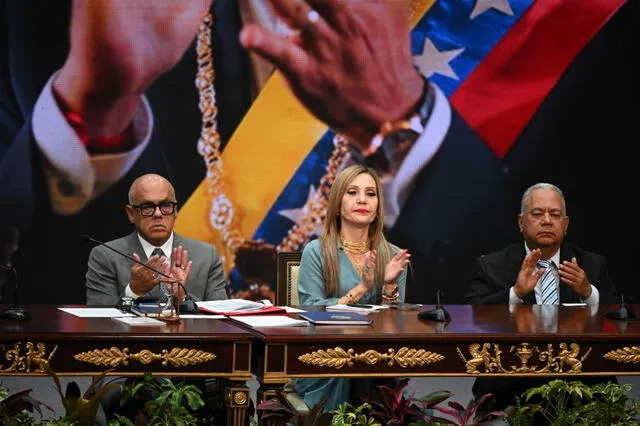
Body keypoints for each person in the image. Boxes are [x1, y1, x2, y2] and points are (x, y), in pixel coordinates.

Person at [0, 0, 636, 306]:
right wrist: (96, 115)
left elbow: (596, 304)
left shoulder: (574, 21)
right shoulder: (49, 16)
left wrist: (410, 127)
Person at [463, 182, 616, 412]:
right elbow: (470, 314)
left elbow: (621, 314)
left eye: (555, 215)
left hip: (580, 377)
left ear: (565, 224)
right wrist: (515, 293)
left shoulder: (591, 264)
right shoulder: (492, 265)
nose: (547, 221)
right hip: (512, 378)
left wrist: (588, 292)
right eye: (537, 214)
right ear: (521, 222)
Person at [293, 164, 411, 410]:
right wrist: (362, 287)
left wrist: (389, 285)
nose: (362, 200)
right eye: (352, 192)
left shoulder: (393, 255)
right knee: (360, 369)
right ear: (337, 203)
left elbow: (395, 325)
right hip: (325, 358)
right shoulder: (316, 251)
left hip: (378, 358)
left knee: (373, 368)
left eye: (370, 194)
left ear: (378, 206)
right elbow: (311, 310)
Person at [86, 174, 228, 306]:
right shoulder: (105, 256)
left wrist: (182, 298)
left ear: (175, 211)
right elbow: (98, 321)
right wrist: (133, 292)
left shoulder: (206, 255)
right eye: (147, 207)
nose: (158, 214)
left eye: (166, 206)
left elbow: (222, 320)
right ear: (131, 214)